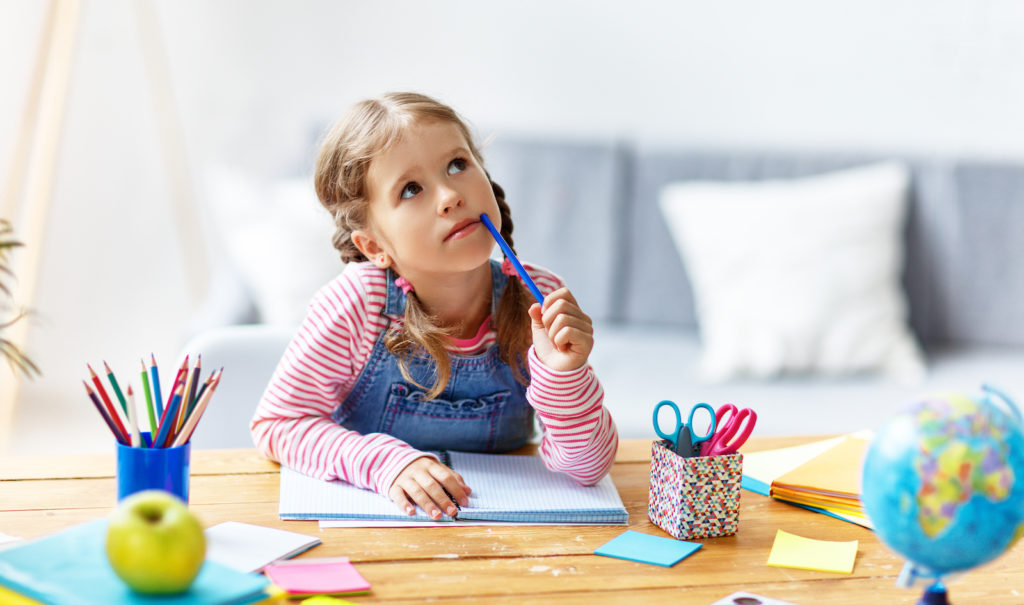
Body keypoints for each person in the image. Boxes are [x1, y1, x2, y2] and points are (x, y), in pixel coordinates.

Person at [250, 92, 618, 520]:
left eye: (458, 165)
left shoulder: (537, 296)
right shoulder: (357, 304)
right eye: (411, 189)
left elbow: (589, 468)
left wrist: (564, 376)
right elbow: (277, 425)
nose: (449, 195)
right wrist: (385, 462)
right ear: (374, 246)